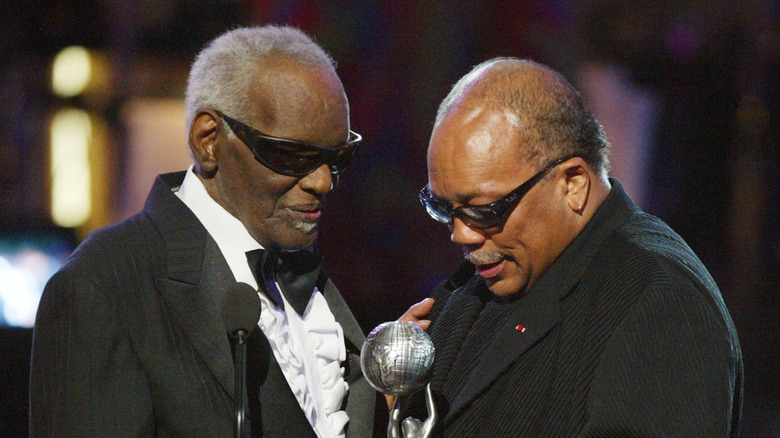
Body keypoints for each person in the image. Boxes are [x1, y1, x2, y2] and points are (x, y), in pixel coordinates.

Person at [30, 25, 381, 437]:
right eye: (293, 155)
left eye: (338, 157)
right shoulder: (102, 287)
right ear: (209, 140)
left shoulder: (306, 279)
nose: (322, 182)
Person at [401, 58, 743, 437]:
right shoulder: (475, 287)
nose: (461, 234)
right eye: (443, 208)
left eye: (485, 210)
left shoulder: (660, 300)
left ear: (573, 183)